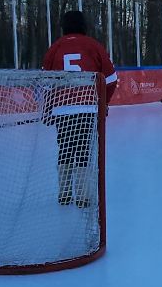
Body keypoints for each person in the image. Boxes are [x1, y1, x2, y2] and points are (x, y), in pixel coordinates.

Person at [42, 11, 118, 205]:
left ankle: (65, 194)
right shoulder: (93, 45)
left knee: (65, 149)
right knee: (84, 150)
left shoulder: (55, 47)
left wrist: (47, 108)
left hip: (62, 109)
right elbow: (111, 79)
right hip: (87, 107)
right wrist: (104, 103)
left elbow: (44, 82)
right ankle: (83, 196)